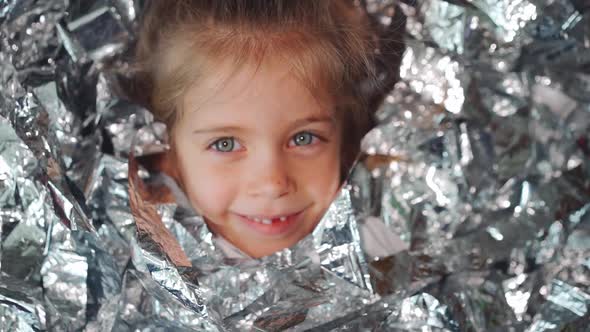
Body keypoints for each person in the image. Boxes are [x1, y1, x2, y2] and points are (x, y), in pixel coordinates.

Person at [128, 0, 405, 259]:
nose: (272, 184)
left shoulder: (380, 247)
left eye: (303, 138)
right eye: (226, 144)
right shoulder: (145, 258)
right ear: (168, 153)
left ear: (344, 142)